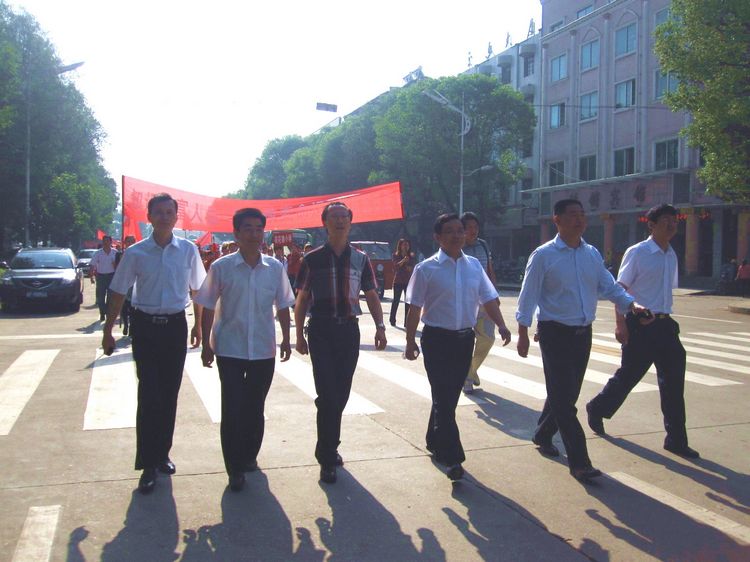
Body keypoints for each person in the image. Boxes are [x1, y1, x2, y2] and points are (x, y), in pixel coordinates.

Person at [516, 199, 648, 483]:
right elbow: (528, 295)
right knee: (565, 401)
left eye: (582, 215)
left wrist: (631, 305)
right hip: (554, 333)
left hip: (582, 334)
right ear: (557, 220)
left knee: (566, 395)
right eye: (572, 215)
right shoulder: (543, 255)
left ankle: (542, 434)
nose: (579, 220)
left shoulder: (591, 254)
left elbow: (609, 286)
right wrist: (523, 332)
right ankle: (580, 462)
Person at [101, 193, 206, 494]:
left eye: (169, 212)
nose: (164, 217)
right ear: (149, 217)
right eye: (158, 212)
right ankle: (147, 463)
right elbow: (118, 291)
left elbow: (198, 290)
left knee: (170, 393)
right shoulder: (136, 253)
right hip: (145, 327)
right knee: (149, 393)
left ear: (176, 216)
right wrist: (108, 330)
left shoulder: (187, 250)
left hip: (175, 326)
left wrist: (199, 325)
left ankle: (162, 455)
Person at [586, 204, 700, 459]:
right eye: (666, 220)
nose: (672, 225)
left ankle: (676, 439)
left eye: (675, 220)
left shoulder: (671, 254)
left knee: (673, 384)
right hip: (640, 325)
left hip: (665, 326)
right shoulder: (638, 252)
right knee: (629, 376)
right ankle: (597, 407)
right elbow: (620, 289)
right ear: (651, 225)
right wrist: (621, 323)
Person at [404, 213, 511, 481]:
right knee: (443, 397)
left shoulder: (474, 266)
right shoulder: (426, 269)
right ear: (437, 237)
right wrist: (409, 341)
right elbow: (414, 307)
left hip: (464, 340)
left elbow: (488, 298)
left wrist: (501, 325)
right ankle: (453, 458)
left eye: (460, 230)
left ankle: (433, 439)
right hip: (436, 340)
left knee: (448, 398)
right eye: (450, 231)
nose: (457, 235)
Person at [196, 208, 296, 491]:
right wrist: (205, 343)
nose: (253, 234)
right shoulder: (222, 267)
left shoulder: (274, 268)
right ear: (237, 233)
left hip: (263, 349)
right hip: (230, 348)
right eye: (247, 229)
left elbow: (283, 305)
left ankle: (250, 454)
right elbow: (207, 304)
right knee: (232, 409)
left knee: (255, 407)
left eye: (258, 229)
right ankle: (234, 468)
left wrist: (286, 338)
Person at [294, 202, 387, 484]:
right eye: (334, 217)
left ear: (350, 221)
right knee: (327, 394)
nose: (339, 221)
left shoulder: (360, 259)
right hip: (321, 330)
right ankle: (327, 456)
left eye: (343, 216)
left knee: (341, 393)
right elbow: (302, 299)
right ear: (325, 223)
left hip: (349, 331)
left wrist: (380, 327)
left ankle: (328, 447)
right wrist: (298, 335)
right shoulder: (312, 259)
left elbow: (371, 295)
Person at [460, 212, 498, 394]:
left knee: (488, 338)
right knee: (466, 341)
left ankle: (470, 371)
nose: (473, 231)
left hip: (484, 299)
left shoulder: (483, 245)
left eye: (475, 227)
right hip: (464, 301)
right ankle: (467, 378)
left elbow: (489, 270)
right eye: (469, 228)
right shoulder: (457, 247)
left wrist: (494, 294)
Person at [90, 235, 119, 321]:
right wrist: (91, 276)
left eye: (108, 241)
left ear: (111, 242)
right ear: (102, 242)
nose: (106, 243)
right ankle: (102, 313)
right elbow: (92, 265)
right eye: (104, 241)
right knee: (101, 297)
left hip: (111, 276)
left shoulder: (115, 252)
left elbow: (119, 266)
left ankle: (108, 312)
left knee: (110, 297)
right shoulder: (98, 253)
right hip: (101, 277)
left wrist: (115, 266)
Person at [389, 239, 416, 327]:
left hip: (408, 282)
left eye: (407, 245)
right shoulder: (395, 255)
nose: (405, 247)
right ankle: (392, 320)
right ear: (400, 246)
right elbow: (396, 267)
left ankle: (406, 322)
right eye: (404, 245)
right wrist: (403, 260)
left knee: (407, 302)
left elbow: (411, 268)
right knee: (396, 301)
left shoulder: (411, 256)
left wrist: (407, 264)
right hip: (398, 281)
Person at [117, 236, 137, 336]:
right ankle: (126, 325)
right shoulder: (120, 254)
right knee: (124, 307)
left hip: (134, 283)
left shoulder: (138, 253)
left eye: (131, 242)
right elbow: (117, 268)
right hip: (124, 283)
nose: (129, 243)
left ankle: (132, 327)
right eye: (128, 242)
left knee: (133, 307)